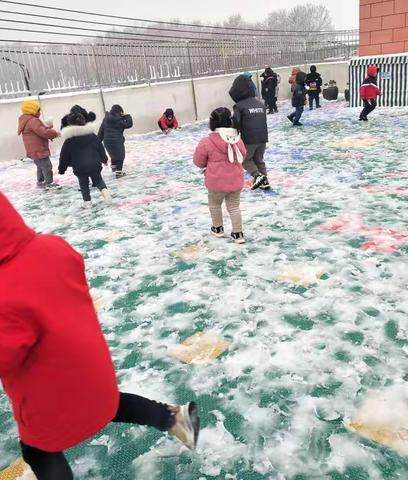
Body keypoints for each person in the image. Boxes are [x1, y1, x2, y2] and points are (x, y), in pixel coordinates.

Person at [0, 191, 200, 480]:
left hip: (47, 390)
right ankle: (174, 418)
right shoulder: (52, 246)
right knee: (107, 403)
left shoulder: (5, 293)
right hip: (90, 365)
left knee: (38, 450)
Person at [193, 107, 247, 244]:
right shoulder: (237, 138)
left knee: (215, 204)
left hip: (216, 182)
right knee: (234, 206)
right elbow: (243, 154)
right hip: (235, 180)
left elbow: (198, 161)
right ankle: (238, 233)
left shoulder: (207, 141)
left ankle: (218, 229)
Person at [59, 113, 112, 209]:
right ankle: (104, 190)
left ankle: (87, 202)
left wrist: (62, 169)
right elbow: (100, 148)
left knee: (83, 184)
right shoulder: (92, 136)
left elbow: (64, 155)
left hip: (80, 167)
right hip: (94, 164)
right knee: (98, 180)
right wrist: (104, 159)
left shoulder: (69, 140)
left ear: (70, 124)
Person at [229, 74, 270, 191]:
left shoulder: (239, 106)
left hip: (249, 139)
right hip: (262, 138)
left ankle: (258, 176)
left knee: (245, 160)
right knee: (259, 160)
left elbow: (236, 122)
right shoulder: (260, 104)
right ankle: (264, 181)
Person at [17, 100, 60, 189]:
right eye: (37, 111)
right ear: (31, 111)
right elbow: (43, 132)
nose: (39, 113)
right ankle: (49, 183)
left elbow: (39, 130)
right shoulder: (33, 121)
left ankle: (41, 181)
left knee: (40, 166)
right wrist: (55, 133)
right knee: (47, 166)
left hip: (34, 150)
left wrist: (48, 127)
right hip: (39, 150)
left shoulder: (26, 120)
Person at [98, 104, 133, 178]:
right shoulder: (119, 120)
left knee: (113, 154)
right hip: (117, 141)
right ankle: (119, 173)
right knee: (120, 156)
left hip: (107, 141)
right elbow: (129, 124)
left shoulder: (106, 119)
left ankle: (114, 168)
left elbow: (101, 131)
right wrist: (127, 116)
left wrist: (98, 141)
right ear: (120, 112)